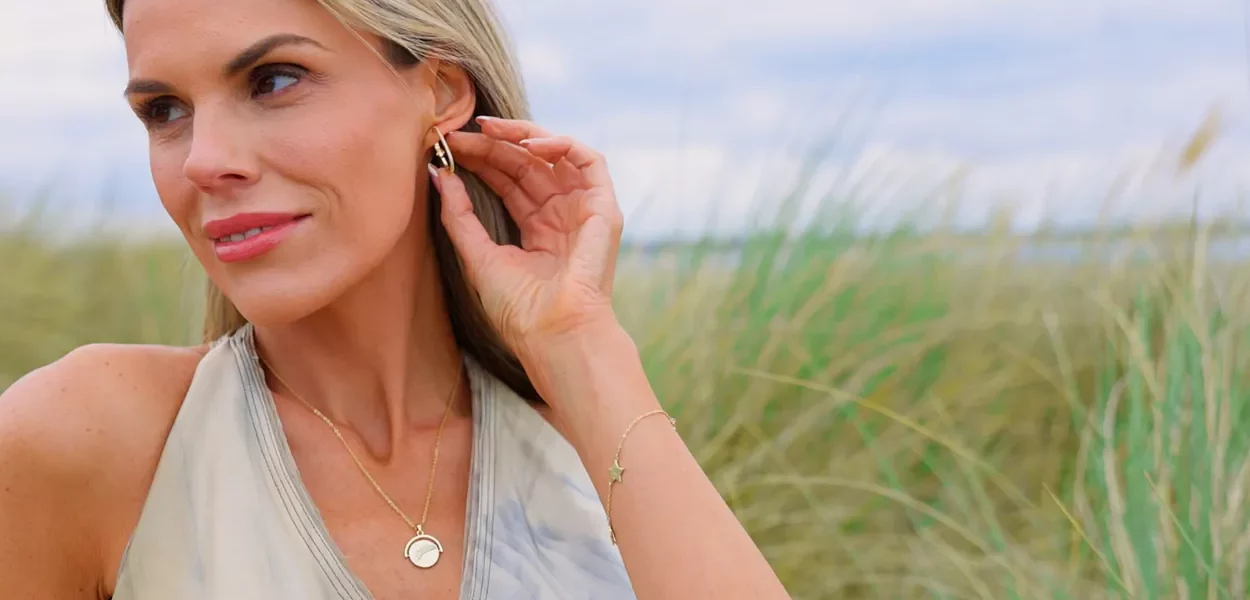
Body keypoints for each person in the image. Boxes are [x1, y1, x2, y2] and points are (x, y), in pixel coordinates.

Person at [0, 0, 792, 598]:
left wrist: (580, 341)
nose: (205, 160)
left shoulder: (594, 450)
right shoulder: (92, 439)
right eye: (164, 111)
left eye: (273, 80)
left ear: (440, 92)